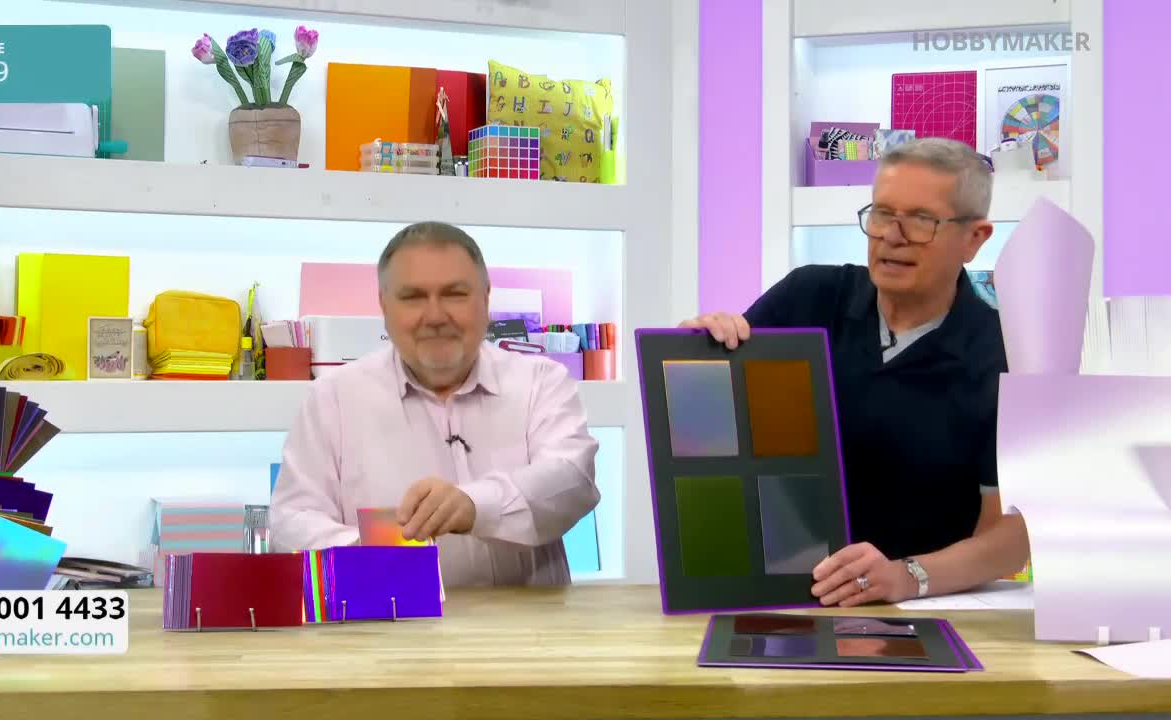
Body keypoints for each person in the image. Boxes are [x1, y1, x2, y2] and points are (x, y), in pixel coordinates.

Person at [682, 138, 1029, 607]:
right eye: (883, 213)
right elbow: (702, 427)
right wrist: (696, 351)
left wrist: (907, 577)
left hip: (919, 609)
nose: (892, 235)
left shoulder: (1005, 354)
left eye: (921, 220)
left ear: (975, 239)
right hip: (773, 593)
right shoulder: (807, 297)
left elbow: (1015, 532)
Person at [269, 221, 600, 587]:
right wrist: (373, 556)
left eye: (455, 294)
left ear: (486, 297)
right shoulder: (332, 398)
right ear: (383, 304)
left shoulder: (542, 381)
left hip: (531, 634)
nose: (436, 316)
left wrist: (476, 505)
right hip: (385, 627)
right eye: (413, 297)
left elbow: (572, 479)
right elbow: (291, 522)